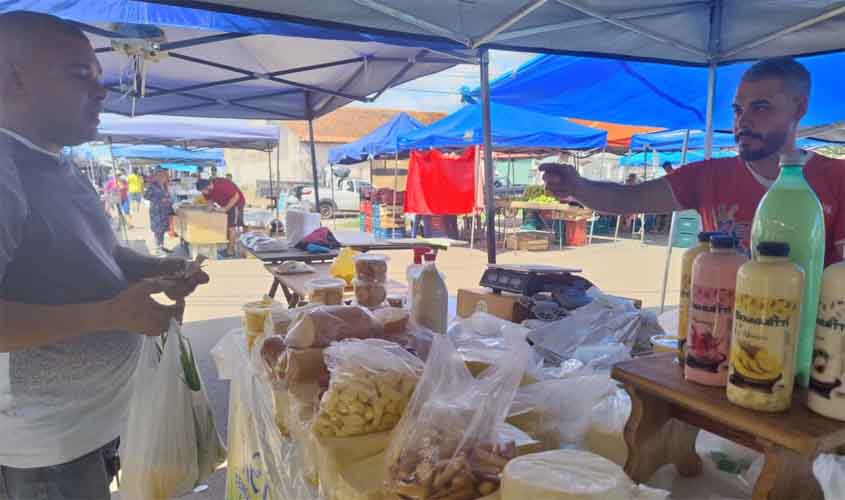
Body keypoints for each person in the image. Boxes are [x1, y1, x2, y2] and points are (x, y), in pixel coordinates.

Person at [0, 12, 209, 500]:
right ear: (12, 77)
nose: (101, 92)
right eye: (79, 75)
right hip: (47, 448)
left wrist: (153, 268)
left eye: (98, 77)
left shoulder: (57, 163)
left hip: (99, 421)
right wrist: (110, 314)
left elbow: (92, 252)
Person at [542, 57, 845, 266]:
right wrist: (578, 186)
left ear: (799, 108)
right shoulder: (709, 176)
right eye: (738, 110)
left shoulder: (837, 178)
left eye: (761, 107)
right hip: (715, 331)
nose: (743, 121)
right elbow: (627, 198)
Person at [197, 176, 246, 256]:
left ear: (209, 185)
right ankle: (228, 248)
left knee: (231, 227)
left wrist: (225, 208)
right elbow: (210, 201)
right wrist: (208, 209)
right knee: (226, 226)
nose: (204, 193)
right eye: (202, 191)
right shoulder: (206, 191)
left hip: (236, 203)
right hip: (225, 204)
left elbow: (236, 196)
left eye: (204, 191)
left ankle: (231, 251)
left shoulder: (222, 185)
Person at [145, 167, 174, 255]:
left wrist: (168, 200)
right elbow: (146, 196)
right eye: (159, 175)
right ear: (156, 176)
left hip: (164, 211)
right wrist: (159, 200)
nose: (162, 177)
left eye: (163, 175)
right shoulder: (152, 186)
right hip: (156, 211)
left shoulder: (164, 186)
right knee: (158, 230)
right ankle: (158, 248)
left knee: (162, 230)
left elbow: (168, 196)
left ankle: (161, 246)